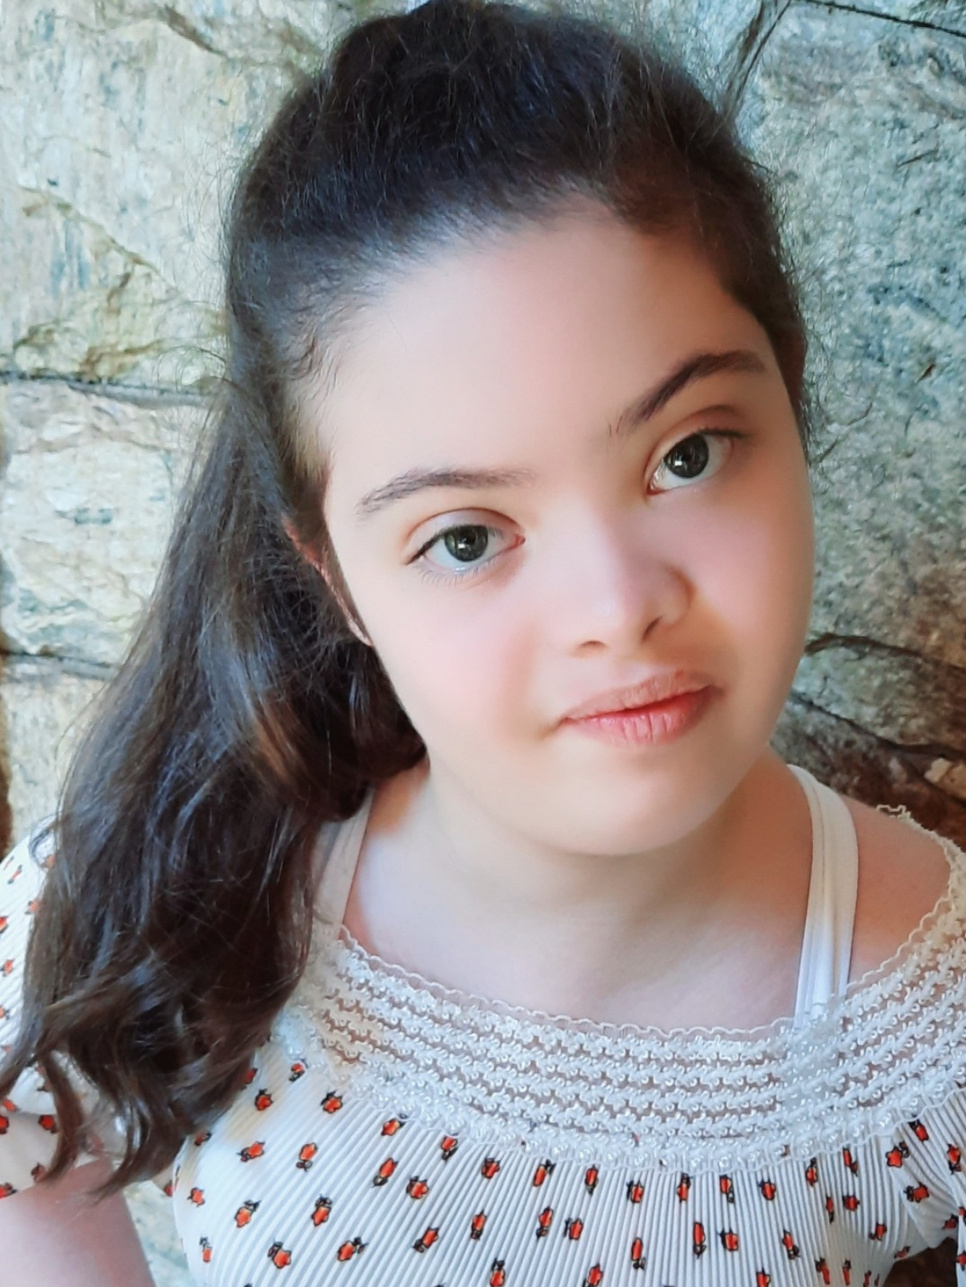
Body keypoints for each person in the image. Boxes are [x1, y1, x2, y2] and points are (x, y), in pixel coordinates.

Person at [0, 0, 963, 1282]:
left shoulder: (933, 1028)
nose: (617, 606)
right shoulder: (180, 884)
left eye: (687, 455)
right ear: (337, 581)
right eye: (466, 537)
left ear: (789, 407)